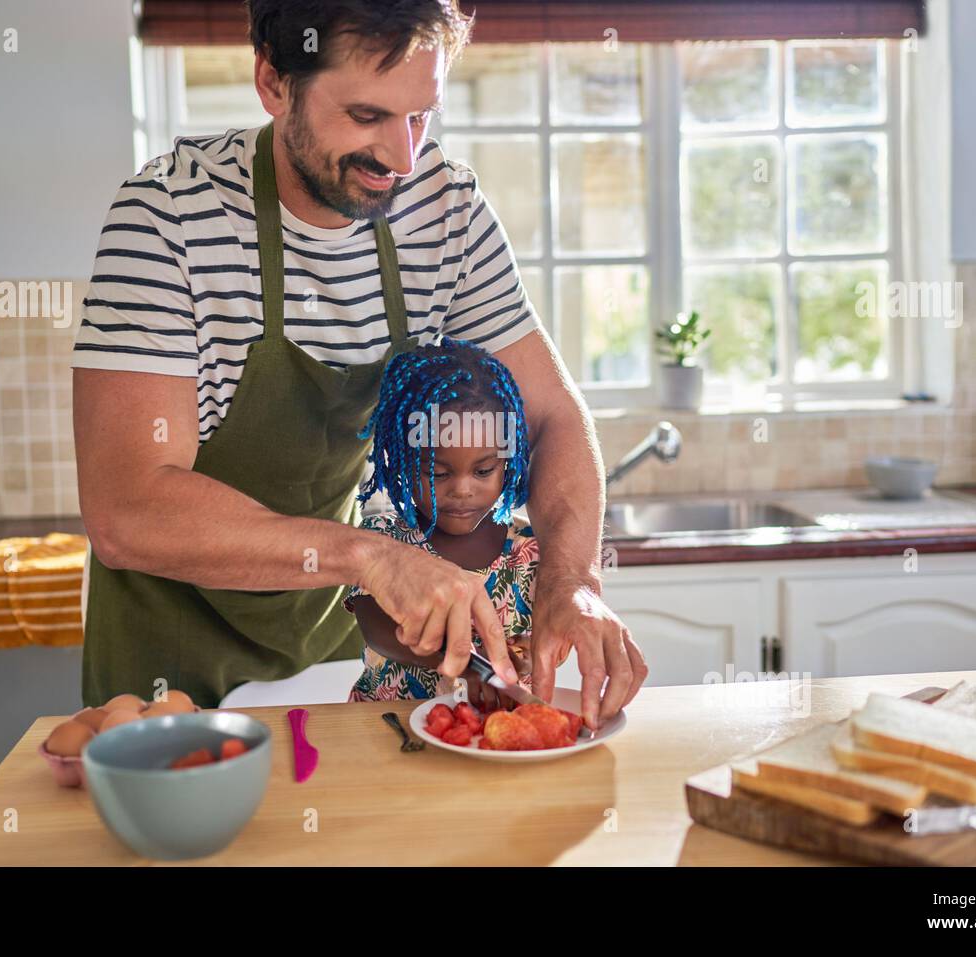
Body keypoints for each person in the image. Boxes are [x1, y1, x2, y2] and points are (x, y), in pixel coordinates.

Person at [71, 0, 645, 727]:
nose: (402, 158)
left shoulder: (444, 209)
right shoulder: (166, 218)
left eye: (421, 116)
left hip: (334, 665)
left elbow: (553, 416)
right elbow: (127, 506)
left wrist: (573, 580)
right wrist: (373, 557)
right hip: (169, 684)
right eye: (368, 117)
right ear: (275, 84)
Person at [343, 338, 560, 708]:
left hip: (494, 734)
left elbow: (533, 639)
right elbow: (379, 631)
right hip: (387, 729)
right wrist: (470, 667)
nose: (462, 490)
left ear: (508, 462)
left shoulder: (530, 546)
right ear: (402, 465)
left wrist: (525, 654)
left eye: (483, 470)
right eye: (438, 472)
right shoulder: (384, 541)